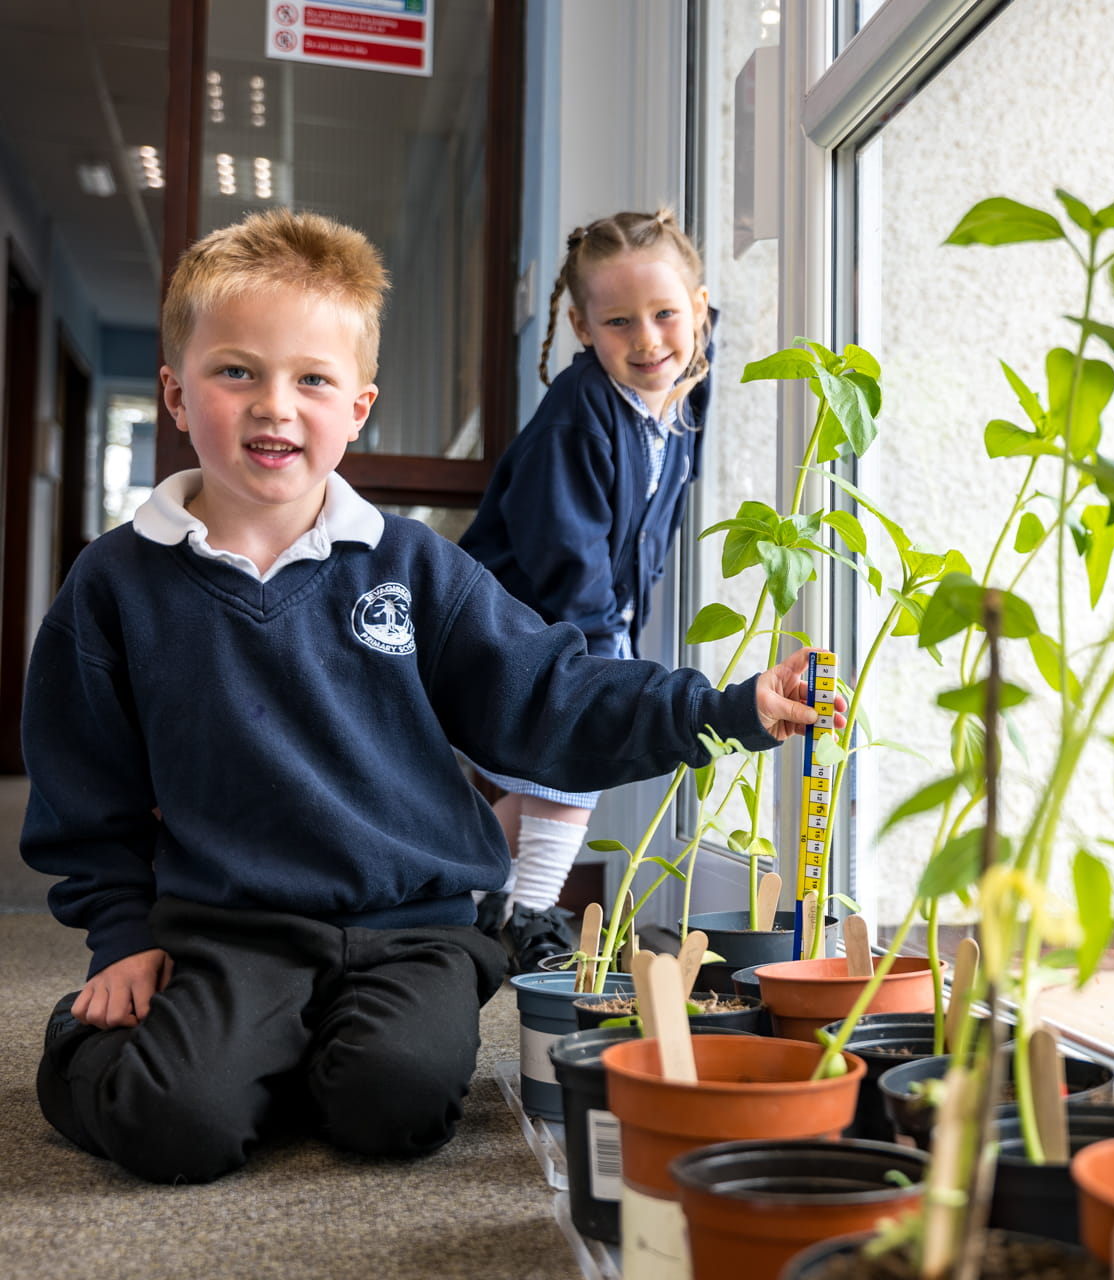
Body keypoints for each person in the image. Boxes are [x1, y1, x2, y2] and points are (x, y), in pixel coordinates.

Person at [21, 208, 826, 1185]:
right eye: (238, 371)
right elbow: (85, 786)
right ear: (177, 396)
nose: (276, 405)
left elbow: (550, 691)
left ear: (358, 407)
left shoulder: (411, 566)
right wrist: (121, 939)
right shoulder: (116, 582)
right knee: (176, 1126)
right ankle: (127, 1049)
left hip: (418, 925)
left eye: (312, 378)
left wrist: (726, 707)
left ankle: (276, 1054)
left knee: (393, 1103)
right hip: (235, 923)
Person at [459, 209, 717, 974]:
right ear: (580, 326)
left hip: (577, 616)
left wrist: (700, 324)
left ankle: (470, 896)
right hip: (517, 620)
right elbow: (565, 553)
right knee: (581, 756)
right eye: (618, 322)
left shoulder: (675, 393)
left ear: (698, 309)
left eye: (667, 314)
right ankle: (531, 911)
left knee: (546, 781)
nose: (647, 341)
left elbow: (696, 341)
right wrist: (602, 654)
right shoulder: (579, 413)